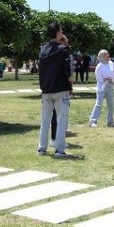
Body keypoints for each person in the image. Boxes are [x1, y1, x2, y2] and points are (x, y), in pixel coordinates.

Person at [37, 22, 73, 158]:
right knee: (61, 120)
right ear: (58, 33)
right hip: (60, 89)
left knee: (45, 120)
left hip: (46, 89)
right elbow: (67, 71)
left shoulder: (43, 50)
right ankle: (59, 150)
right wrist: (70, 82)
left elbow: (41, 71)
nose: (62, 33)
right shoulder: (63, 49)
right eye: (61, 31)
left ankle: (42, 148)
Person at [89, 49, 114, 127]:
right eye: (105, 54)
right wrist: (105, 79)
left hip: (110, 86)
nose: (108, 55)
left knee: (110, 105)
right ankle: (92, 121)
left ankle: (110, 122)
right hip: (102, 87)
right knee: (98, 104)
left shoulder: (111, 63)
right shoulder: (99, 66)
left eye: (107, 54)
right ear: (101, 56)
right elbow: (98, 78)